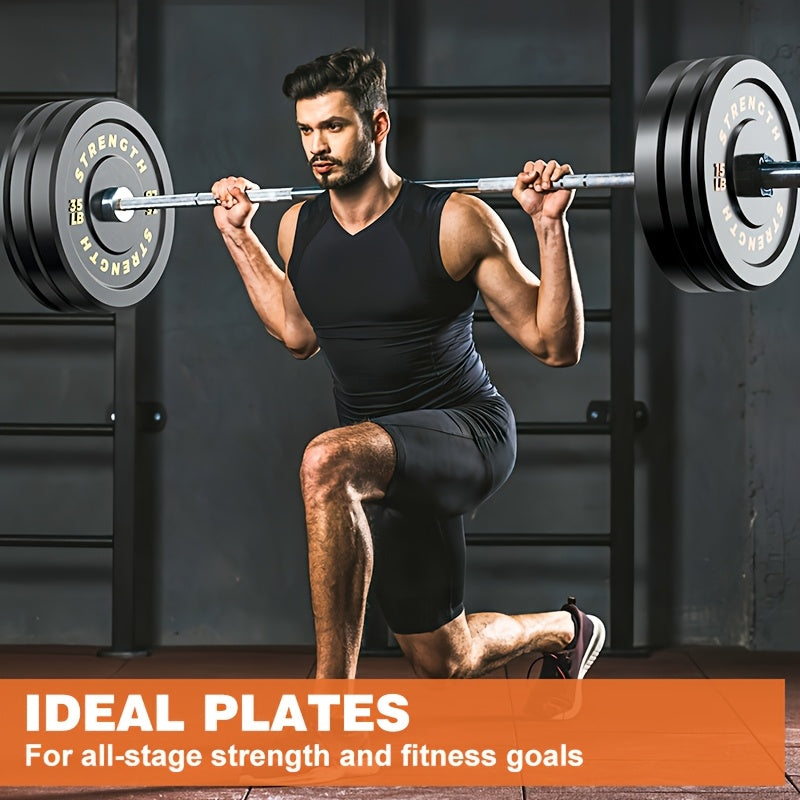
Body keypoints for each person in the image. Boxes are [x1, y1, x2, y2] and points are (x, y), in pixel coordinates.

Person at [211, 47, 605, 680]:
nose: (318, 145)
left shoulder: (451, 221)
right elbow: (297, 331)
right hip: (380, 461)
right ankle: (568, 630)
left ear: (378, 125)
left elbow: (554, 344)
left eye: (335, 126)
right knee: (447, 658)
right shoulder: (296, 229)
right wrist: (239, 237)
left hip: (466, 436)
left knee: (325, 460)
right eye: (307, 130)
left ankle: (328, 709)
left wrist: (549, 228)